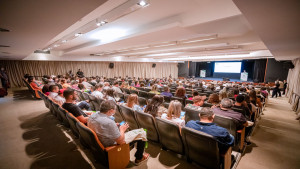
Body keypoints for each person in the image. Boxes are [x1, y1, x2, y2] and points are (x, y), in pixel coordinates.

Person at [87, 100, 149, 165]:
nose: (115, 111)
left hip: (100, 142)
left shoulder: (93, 115)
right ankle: (139, 158)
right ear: (110, 110)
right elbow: (120, 141)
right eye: (115, 109)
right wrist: (122, 129)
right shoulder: (109, 122)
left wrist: (114, 126)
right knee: (142, 132)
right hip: (112, 146)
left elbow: (101, 126)